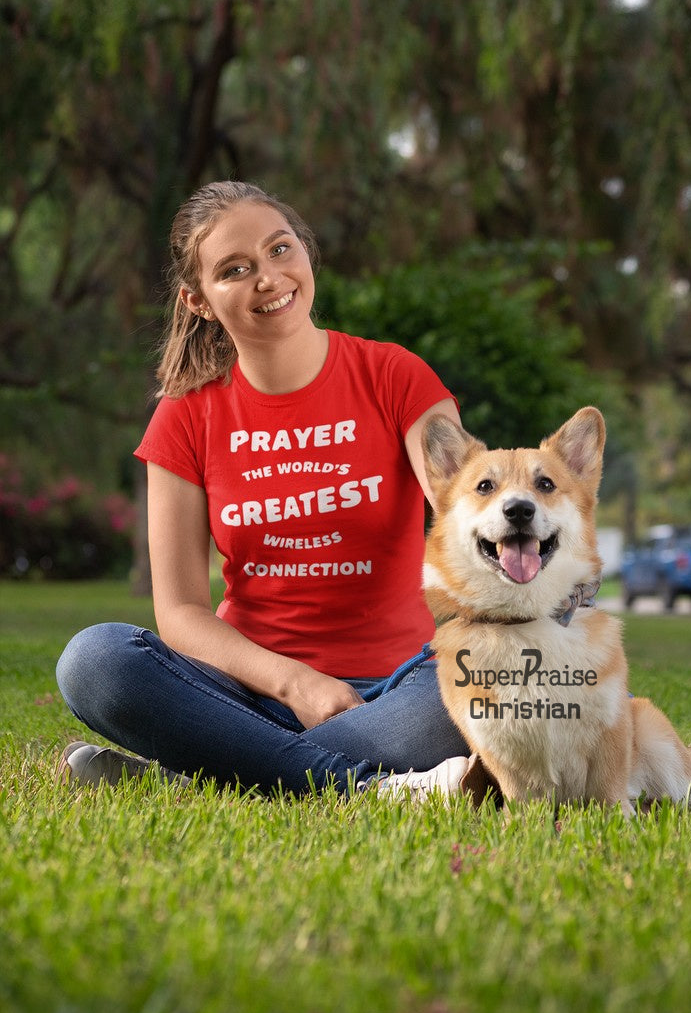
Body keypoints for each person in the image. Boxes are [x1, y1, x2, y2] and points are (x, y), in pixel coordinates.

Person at [56, 180, 472, 799]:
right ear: (199, 300)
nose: (268, 279)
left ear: (304, 251)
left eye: (280, 250)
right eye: (235, 269)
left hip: (404, 686)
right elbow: (180, 613)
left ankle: (202, 774)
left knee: (490, 685)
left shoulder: (396, 376)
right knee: (94, 661)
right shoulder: (184, 416)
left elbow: (464, 511)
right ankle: (357, 785)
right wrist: (294, 684)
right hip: (244, 693)